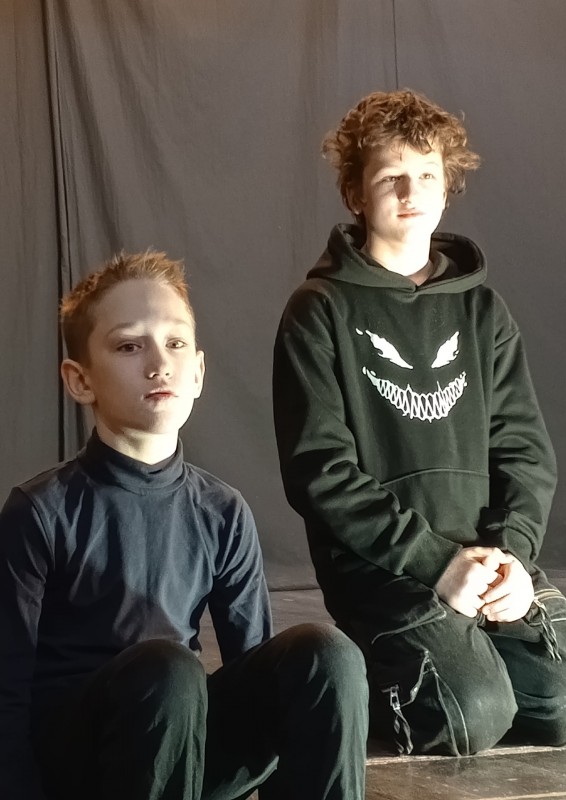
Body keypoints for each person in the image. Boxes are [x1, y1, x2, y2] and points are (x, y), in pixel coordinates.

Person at [272, 89, 566, 757]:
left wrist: (512, 555)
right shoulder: (318, 310)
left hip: (485, 559)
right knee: (473, 713)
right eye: (390, 176)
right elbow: (320, 472)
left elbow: (524, 451)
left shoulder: (484, 311)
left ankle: (474, 656)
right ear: (355, 194)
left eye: (426, 173)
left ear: (447, 185)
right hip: (385, 568)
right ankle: (362, 681)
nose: (411, 190)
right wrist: (434, 562)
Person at [0, 251, 368, 800]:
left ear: (197, 372)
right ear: (80, 380)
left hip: (181, 746)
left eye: (174, 343)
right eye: (130, 346)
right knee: (167, 668)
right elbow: (6, 690)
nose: (159, 364)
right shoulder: (39, 511)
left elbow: (255, 676)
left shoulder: (222, 510)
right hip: (81, 764)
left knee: (326, 654)